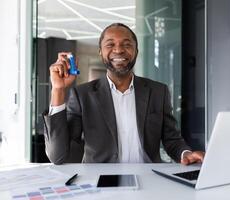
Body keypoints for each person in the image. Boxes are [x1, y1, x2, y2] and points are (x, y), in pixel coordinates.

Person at [43, 23, 204, 165]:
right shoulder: (83, 95)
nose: (118, 50)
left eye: (126, 44)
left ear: (136, 51)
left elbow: (172, 140)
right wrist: (58, 89)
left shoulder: (158, 91)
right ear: (100, 51)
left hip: (150, 180)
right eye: (110, 44)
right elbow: (58, 156)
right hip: (101, 181)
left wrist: (186, 154)